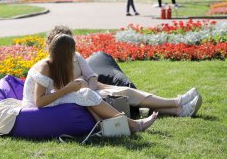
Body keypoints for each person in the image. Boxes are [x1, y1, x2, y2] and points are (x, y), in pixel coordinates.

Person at [45, 25, 203, 117]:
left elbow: (91, 76)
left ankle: (179, 108)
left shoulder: (76, 56)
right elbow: (56, 91)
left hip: (96, 87)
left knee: (127, 91)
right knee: (125, 96)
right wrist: (88, 91)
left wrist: (92, 86)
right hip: (82, 97)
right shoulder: (50, 65)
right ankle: (179, 105)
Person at [22, 33, 159, 134]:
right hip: (33, 105)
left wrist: (72, 87)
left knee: (85, 93)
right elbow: (39, 102)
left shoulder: (55, 64)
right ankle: (134, 125)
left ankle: (114, 127)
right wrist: (68, 89)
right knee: (86, 93)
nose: (73, 56)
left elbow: (56, 89)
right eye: (71, 53)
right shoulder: (45, 67)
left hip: (48, 99)